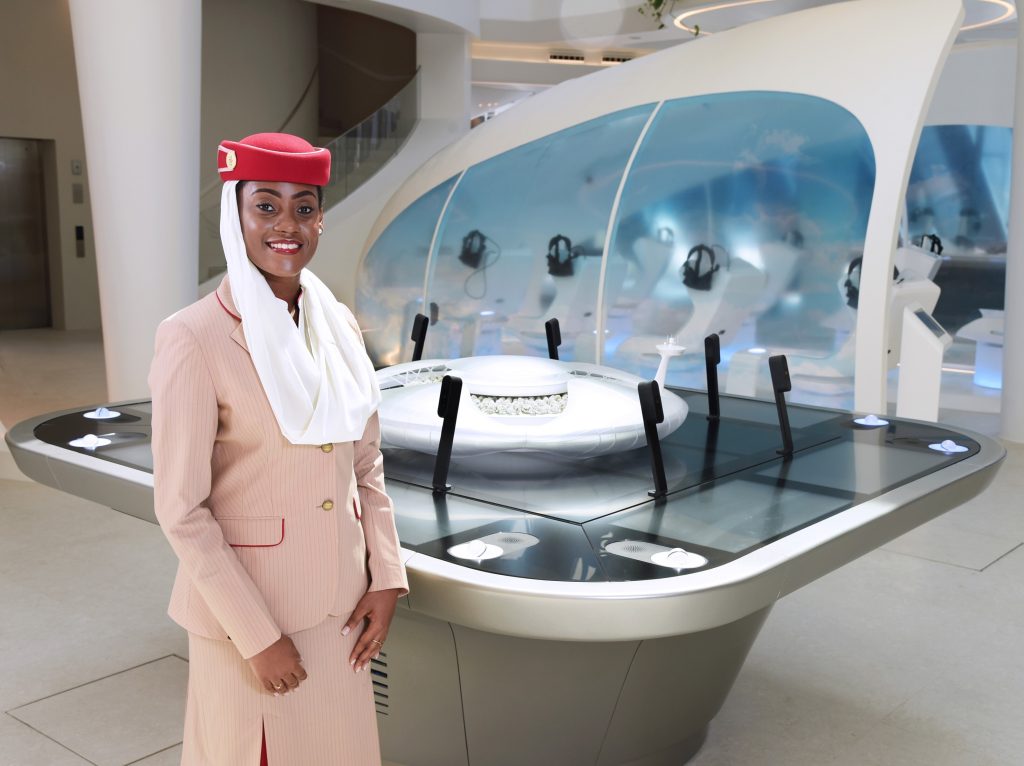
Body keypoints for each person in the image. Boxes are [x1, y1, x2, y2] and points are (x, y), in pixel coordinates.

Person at [149, 132, 408, 765]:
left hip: (341, 607)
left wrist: (386, 577)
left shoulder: (337, 323)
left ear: (321, 219)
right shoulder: (193, 336)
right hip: (252, 614)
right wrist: (258, 637)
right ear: (234, 216)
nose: (286, 224)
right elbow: (182, 510)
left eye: (304, 207)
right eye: (265, 206)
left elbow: (365, 463)